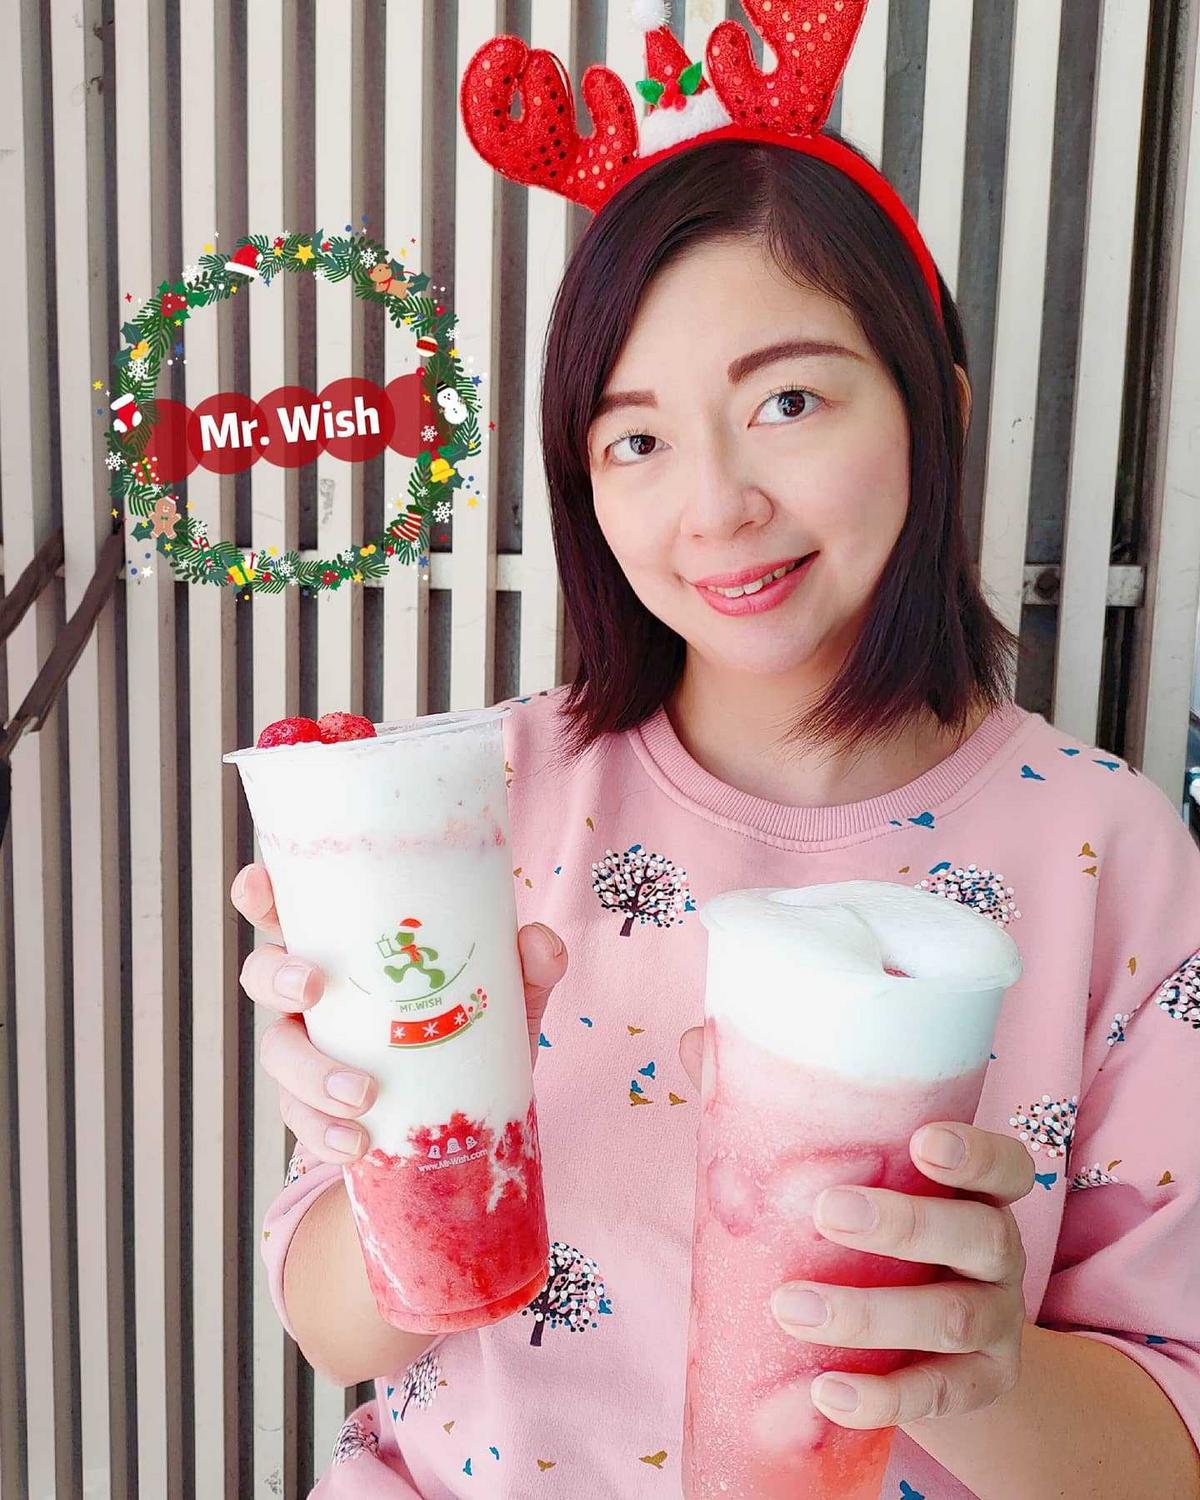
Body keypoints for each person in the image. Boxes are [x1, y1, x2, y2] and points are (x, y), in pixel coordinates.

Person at [232, 8, 1200, 1498]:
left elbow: (1166, 1450)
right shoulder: (475, 806)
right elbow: (334, 1333)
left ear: (935, 409)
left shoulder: (1109, 854)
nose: (717, 507)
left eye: (788, 401)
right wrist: (405, 1131)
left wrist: (964, 1357)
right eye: (637, 440)